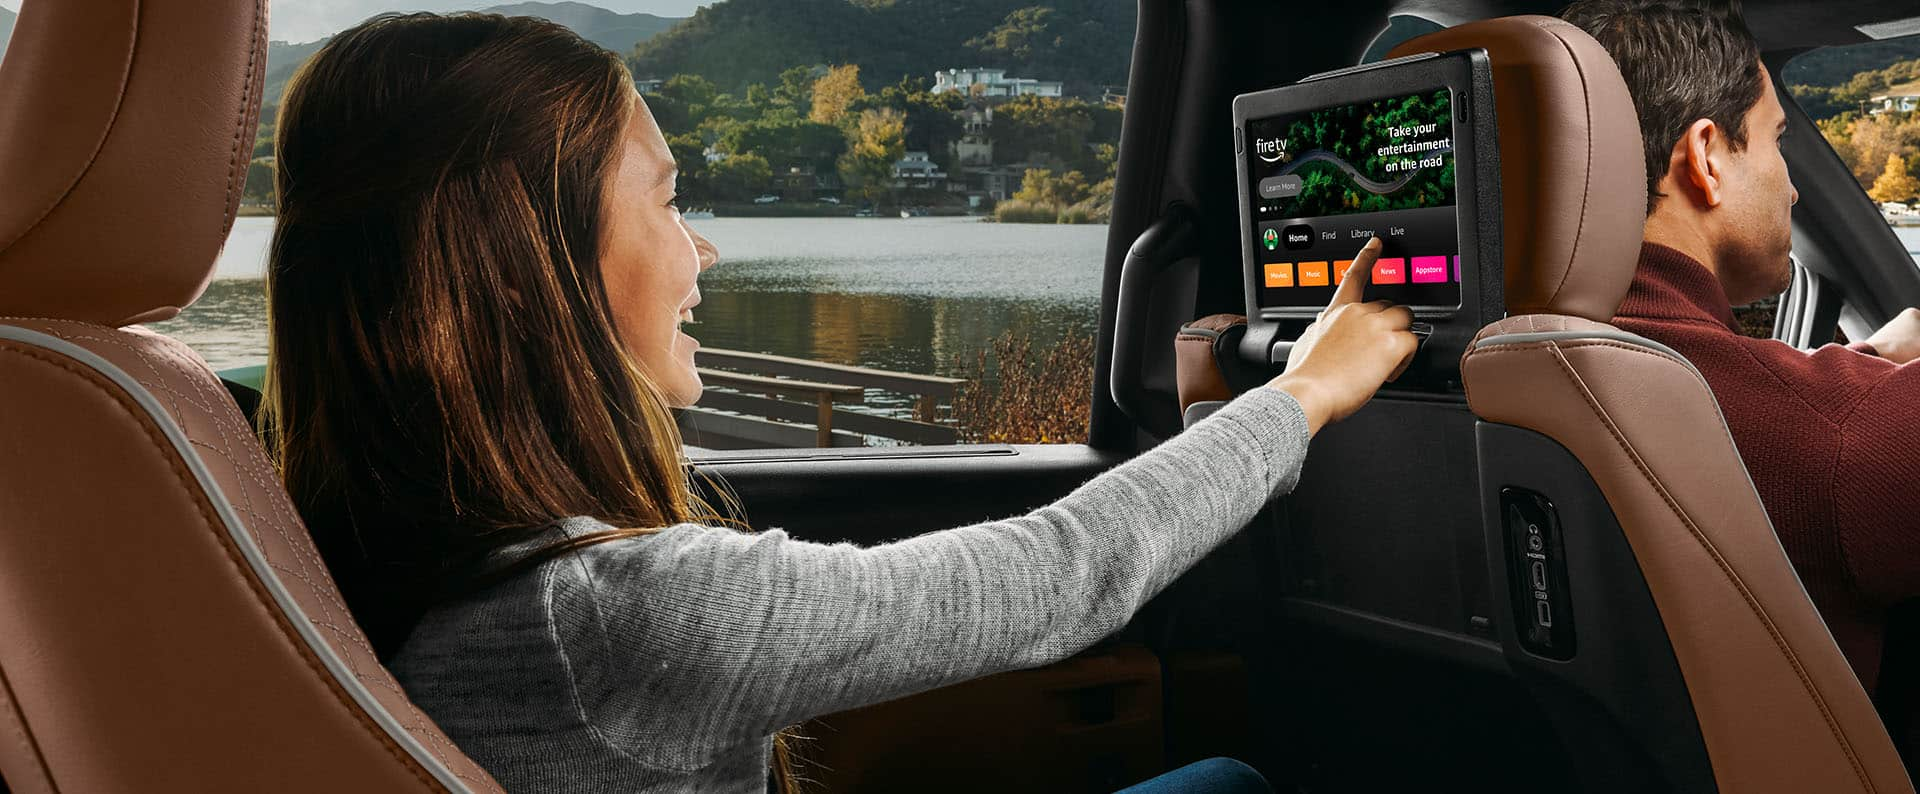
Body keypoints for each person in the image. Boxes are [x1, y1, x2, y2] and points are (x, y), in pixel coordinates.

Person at [262, 13, 1417, 793]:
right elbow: (1058, 574)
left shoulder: (337, 526)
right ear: (529, 267)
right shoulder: (610, 613)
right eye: (666, 202)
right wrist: (1305, 391)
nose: (701, 248)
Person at [1562, 0, 1920, 751]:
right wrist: (1862, 400)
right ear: (1705, 157)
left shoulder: (1486, 366)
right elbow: (1812, 440)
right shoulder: (1845, 445)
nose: (1792, 188)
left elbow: (1752, 410)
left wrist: (1858, 367)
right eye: (1776, 140)